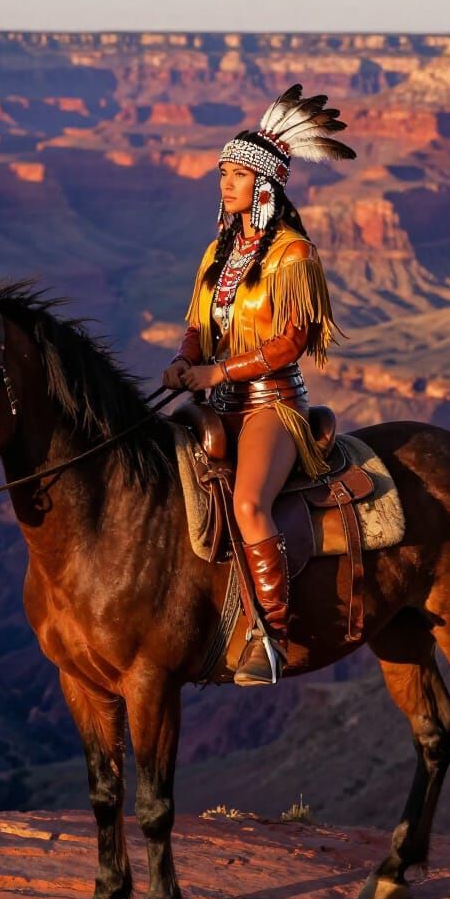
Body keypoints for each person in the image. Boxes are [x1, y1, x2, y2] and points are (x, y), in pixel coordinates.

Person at [162, 84, 357, 687]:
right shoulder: (218, 252)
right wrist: (184, 360)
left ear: (265, 186)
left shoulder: (293, 255)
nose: (225, 184)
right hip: (216, 403)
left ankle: (270, 634)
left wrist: (217, 372)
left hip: (272, 405)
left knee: (248, 504)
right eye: (223, 173)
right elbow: (199, 325)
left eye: (239, 175)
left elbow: (291, 342)